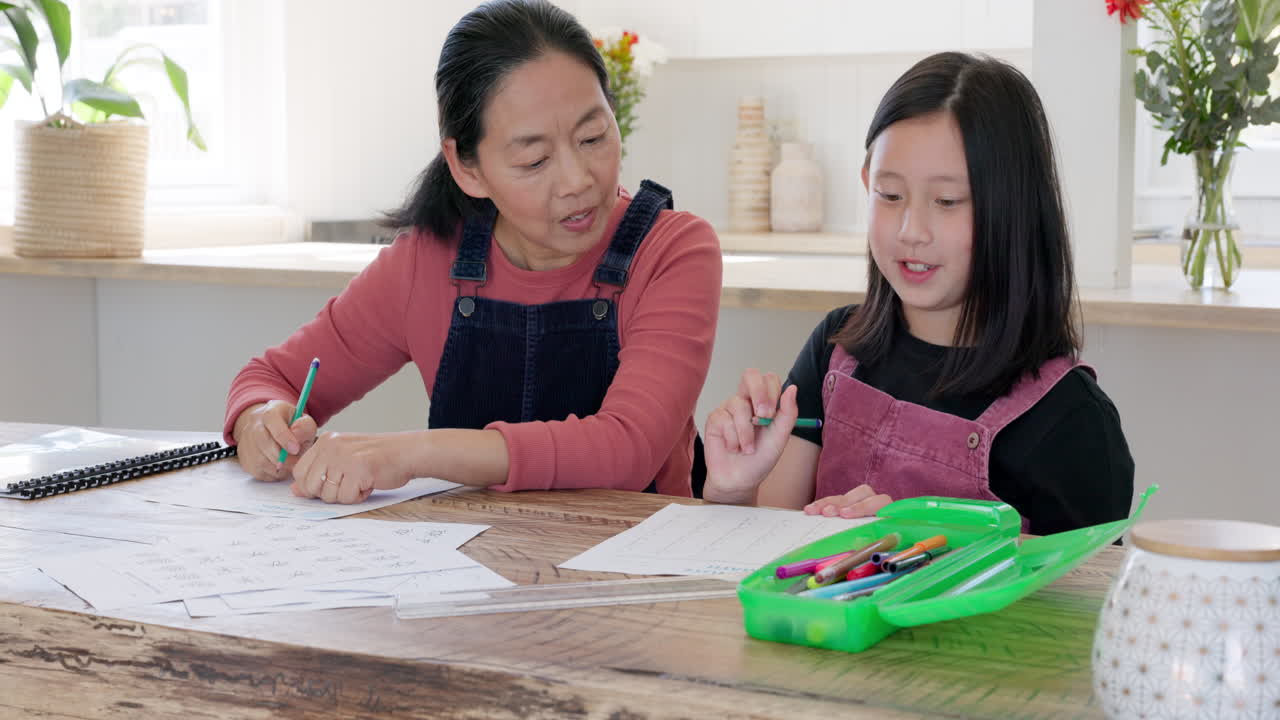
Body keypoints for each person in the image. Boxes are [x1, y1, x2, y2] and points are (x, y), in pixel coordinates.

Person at [225, 0, 721, 503]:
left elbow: (627, 447)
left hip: (636, 565)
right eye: (534, 159)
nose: (577, 180)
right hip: (463, 562)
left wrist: (407, 454)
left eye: (593, 136)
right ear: (467, 168)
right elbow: (271, 378)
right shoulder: (427, 260)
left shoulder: (673, 250)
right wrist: (260, 421)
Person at [701, 52, 1134, 536]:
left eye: (947, 201)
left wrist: (919, 553)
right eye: (889, 195)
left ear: (1014, 208)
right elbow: (763, 548)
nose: (911, 230)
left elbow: (1078, 605)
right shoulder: (835, 350)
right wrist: (734, 489)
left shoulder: (1071, 420)